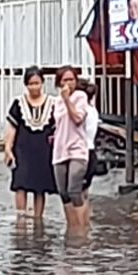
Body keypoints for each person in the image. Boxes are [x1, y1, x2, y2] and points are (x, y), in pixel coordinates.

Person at [3, 66, 57, 219]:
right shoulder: (18, 104)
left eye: (37, 83)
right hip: (22, 148)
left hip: (44, 149)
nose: (34, 87)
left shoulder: (52, 103)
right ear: (26, 85)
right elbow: (12, 128)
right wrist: (8, 149)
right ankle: (21, 218)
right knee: (21, 183)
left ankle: (38, 219)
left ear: (43, 83)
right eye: (31, 84)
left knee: (40, 186)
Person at [52, 65, 90, 229]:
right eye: (65, 80)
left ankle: (82, 228)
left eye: (72, 80)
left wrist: (68, 99)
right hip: (60, 149)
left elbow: (77, 119)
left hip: (77, 149)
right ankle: (72, 226)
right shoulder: (56, 101)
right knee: (63, 192)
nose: (69, 83)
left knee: (74, 189)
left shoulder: (80, 97)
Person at [79, 79, 100, 224]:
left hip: (80, 154)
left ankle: (79, 227)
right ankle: (84, 228)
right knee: (84, 194)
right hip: (90, 152)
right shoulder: (93, 110)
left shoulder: (83, 111)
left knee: (77, 195)